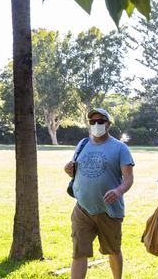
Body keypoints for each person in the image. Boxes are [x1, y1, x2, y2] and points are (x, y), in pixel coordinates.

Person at [63, 108, 134, 279]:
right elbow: (77, 171)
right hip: (83, 208)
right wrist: (68, 170)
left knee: (113, 250)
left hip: (109, 210)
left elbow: (129, 178)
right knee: (79, 253)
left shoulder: (120, 148)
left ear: (108, 124)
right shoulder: (82, 144)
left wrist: (118, 191)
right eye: (92, 122)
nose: (96, 125)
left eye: (100, 121)